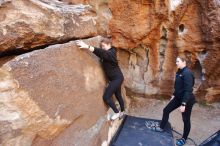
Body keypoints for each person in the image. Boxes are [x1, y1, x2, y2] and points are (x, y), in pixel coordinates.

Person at [76, 38, 125, 121]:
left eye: (103, 46)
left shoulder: (112, 52)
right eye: (101, 46)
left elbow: (102, 53)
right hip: (115, 79)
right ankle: (123, 111)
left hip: (117, 78)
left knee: (106, 97)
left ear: (109, 45)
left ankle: (117, 112)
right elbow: (101, 53)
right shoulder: (107, 53)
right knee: (118, 95)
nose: (102, 48)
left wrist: (87, 46)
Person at [151, 56, 196, 146]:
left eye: (178, 61)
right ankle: (161, 127)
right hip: (178, 97)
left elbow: (188, 90)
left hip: (187, 100)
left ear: (184, 62)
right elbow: (178, 86)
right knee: (166, 110)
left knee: (186, 119)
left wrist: (183, 104)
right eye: (176, 61)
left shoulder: (187, 73)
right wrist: (174, 94)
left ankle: (184, 138)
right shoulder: (179, 71)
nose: (176, 63)